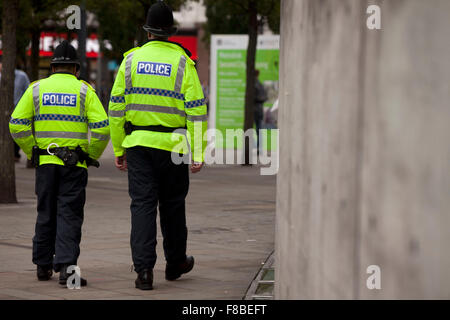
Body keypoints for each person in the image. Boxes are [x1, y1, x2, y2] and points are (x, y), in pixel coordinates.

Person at [108, 1, 207, 290]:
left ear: (148, 31)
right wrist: (198, 153)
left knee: (142, 206)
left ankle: (144, 272)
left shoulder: (129, 61)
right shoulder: (183, 63)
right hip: (174, 145)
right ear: (170, 32)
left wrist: (118, 148)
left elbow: (116, 108)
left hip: (138, 144)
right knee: (173, 206)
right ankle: (175, 263)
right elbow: (196, 111)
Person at [9, 40, 110, 286]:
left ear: (53, 67)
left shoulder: (36, 89)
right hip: (74, 165)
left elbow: (16, 124)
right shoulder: (85, 90)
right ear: (76, 68)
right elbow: (102, 128)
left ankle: (42, 266)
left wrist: (31, 149)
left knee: (46, 212)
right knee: (70, 214)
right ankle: (67, 270)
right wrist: (90, 154)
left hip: (45, 164)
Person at [0, 61, 30, 162]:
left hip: (18, 110)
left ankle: (16, 154)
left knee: (16, 131)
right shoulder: (0, 76)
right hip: (3, 109)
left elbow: (28, 91)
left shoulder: (22, 76)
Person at [254, 69, 268, 155]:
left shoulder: (256, 84)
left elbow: (263, 97)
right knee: (258, 130)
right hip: (258, 109)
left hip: (256, 109)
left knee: (257, 130)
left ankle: (258, 148)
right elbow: (265, 97)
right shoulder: (259, 84)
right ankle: (258, 148)